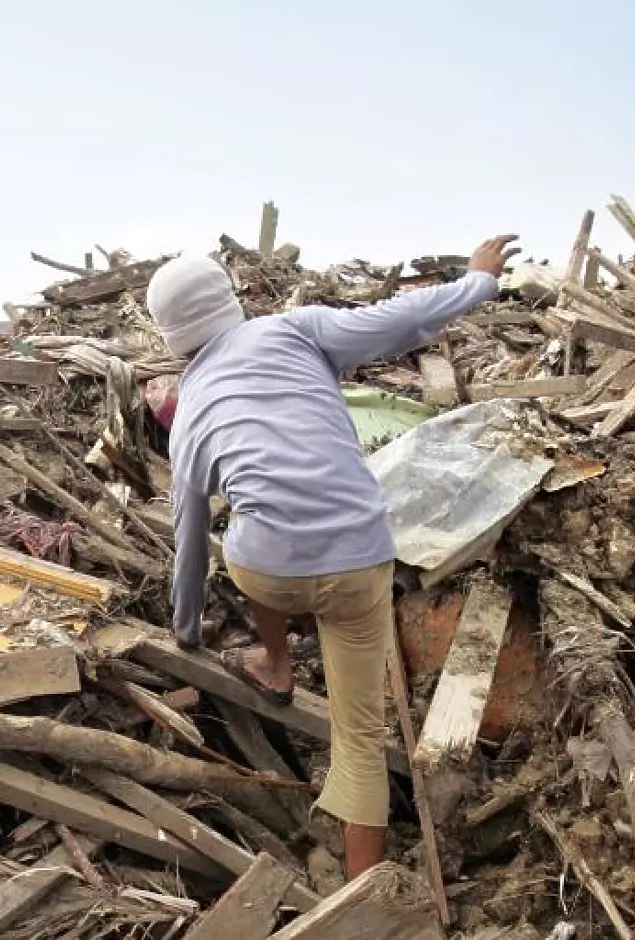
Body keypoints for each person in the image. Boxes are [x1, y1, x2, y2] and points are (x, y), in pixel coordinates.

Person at [147, 234, 520, 877]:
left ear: (169, 334)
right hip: (358, 563)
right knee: (359, 741)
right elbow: (402, 319)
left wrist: (185, 630)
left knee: (243, 536)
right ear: (229, 299)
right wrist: (477, 282)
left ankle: (274, 659)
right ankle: (360, 885)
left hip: (270, 572)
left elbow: (187, 534)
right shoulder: (296, 332)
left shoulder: (190, 416)